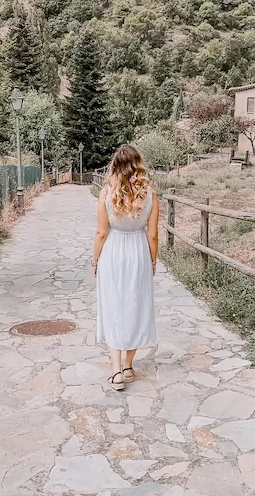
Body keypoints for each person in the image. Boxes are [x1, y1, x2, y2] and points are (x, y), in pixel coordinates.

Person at [92, 145, 159, 391]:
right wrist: (152, 261)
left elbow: (101, 232)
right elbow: (152, 235)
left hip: (112, 251)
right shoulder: (150, 195)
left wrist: (95, 259)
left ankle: (116, 370)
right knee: (135, 305)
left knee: (112, 307)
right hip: (138, 252)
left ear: (115, 167)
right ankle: (129, 366)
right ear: (138, 166)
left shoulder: (106, 194)